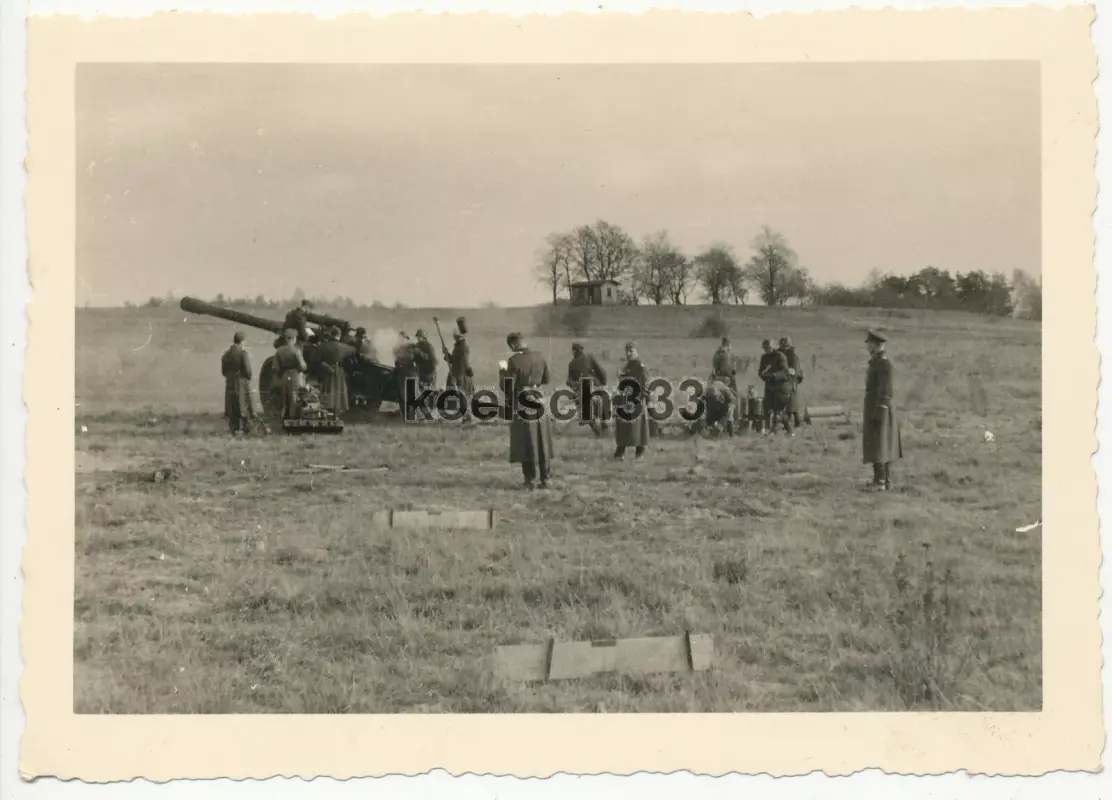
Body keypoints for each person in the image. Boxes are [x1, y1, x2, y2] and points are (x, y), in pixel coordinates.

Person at [499, 332, 555, 489]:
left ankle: (529, 479)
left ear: (513, 345)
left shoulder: (514, 361)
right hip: (539, 399)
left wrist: (502, 371)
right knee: (542, 438)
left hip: (523, 402)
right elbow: (547, 379)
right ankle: (546, 478)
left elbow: (507, 387)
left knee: (526, 439)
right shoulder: (540, 356)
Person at [863, 329, 903, 491]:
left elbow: (886, 389)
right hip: (876, 406)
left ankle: (881, 481)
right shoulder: (877, 361)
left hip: (881, 408)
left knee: (880, 443)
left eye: (869, 344)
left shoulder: (883, 363)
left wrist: (880, 410)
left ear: (876, 345)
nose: (867, 347)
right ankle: (882, 480)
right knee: (878, 442)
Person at [613, 341, 652, 459]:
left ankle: (639, 452)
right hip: (625, 401)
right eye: (627, 351)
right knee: (623, 428)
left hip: (636, 402)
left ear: (637, 352)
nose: (629, 353)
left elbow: (645, 386)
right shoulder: (626, 367)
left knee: (638, 430)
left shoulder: (641, 368)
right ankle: (620, 452)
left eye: (631, 351)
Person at [567, 342, 609, 436]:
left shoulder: (571, 364)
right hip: (592, 386)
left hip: (581, 390)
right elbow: (599, 369)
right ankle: (603, 424)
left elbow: (570, 380)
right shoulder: (589, 357)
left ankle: (598, 430)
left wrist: (572, 384)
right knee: (599, 403)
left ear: (574, 351)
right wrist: (603, 381)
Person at [315, 326, 356, 416]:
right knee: (338, 391)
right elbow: (354, 350)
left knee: (328, 390)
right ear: (339, 335)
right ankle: (337, 412)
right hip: (338, 370)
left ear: (330, 334)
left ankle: (326, 410)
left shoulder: (322, 346)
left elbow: (318, 360)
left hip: (326, 370)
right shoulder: (343, 346)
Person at [220, 332, 255, 435]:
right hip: (241, 382)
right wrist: (247, 378)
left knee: (232, 406)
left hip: (230, 382)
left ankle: (233, 429)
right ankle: (246, 429)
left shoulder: (226, 354)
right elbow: (248, 371)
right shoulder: (243, 353)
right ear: (242, 341)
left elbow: (223, 371)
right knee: (244, 405)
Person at [759, 343, 795, 435]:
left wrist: (774, 376)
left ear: (773, 347)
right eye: (765, 348)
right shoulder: (764, 357)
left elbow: (785, 372)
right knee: (767, 409)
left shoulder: (780, 356)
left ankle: (788, 430)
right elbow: (760, 371)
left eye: (769, 347)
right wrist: (764, 376)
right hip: (769, 387)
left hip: (781, 387)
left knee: (778, 411)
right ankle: (772, 430)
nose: (767, 349)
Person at [274, 328, 308, 419]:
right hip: (295, 376)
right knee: (294, 398)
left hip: (284, 376)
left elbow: (275, 367)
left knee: (285, 400)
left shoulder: (279, 350)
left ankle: (284, 418)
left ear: (286, 338)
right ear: (294, 338)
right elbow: (303, 366)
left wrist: (281, 373)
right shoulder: (296, 351)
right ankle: (293, 420)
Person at [444, 331, 475, 420]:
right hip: (457, 374)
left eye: (456, 336)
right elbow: (454, 361)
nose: (454, 337)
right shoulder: (458, 346)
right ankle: (463, 415)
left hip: (461, 375)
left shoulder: (463, 347)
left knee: (464, 395)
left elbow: (463, 363)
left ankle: (467, 417)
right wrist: (446, 353)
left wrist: (456, 377)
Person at [779, 336, 806, 427]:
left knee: (791, 403)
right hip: (784, 380)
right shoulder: (781, 353)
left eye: (785, 346)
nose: (783, 348)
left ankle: (796, 422)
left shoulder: (793, 355)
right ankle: (792, 422)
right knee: (789, 403)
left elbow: (794, 370)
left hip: (792, 380)